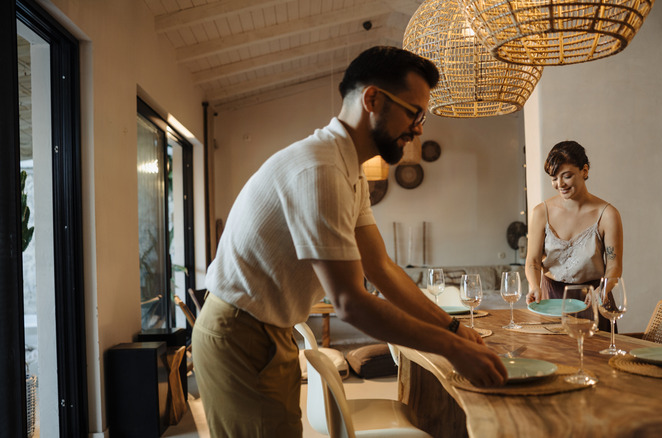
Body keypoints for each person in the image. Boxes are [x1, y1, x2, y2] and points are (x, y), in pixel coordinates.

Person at [192, 46, 507, 437]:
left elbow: (382, 268)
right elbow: (349, 303)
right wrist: (452, 348)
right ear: (373, 99)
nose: (420, 128)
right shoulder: (320, 169)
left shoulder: (348, 170)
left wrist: (454, 330)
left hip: (267, 331)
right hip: (242, 333)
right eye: (414, 112)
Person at [524, 141, 623, 331]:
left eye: (566, 176)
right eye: (554, 178)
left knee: (597, 359)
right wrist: (534, 286)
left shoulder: (607, 215)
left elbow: (614, 267)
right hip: (551, 300)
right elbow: (533, 261)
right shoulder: (541, 212)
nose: (559, 184)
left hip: (593, 299)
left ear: (584, 171)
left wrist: (601, 292)